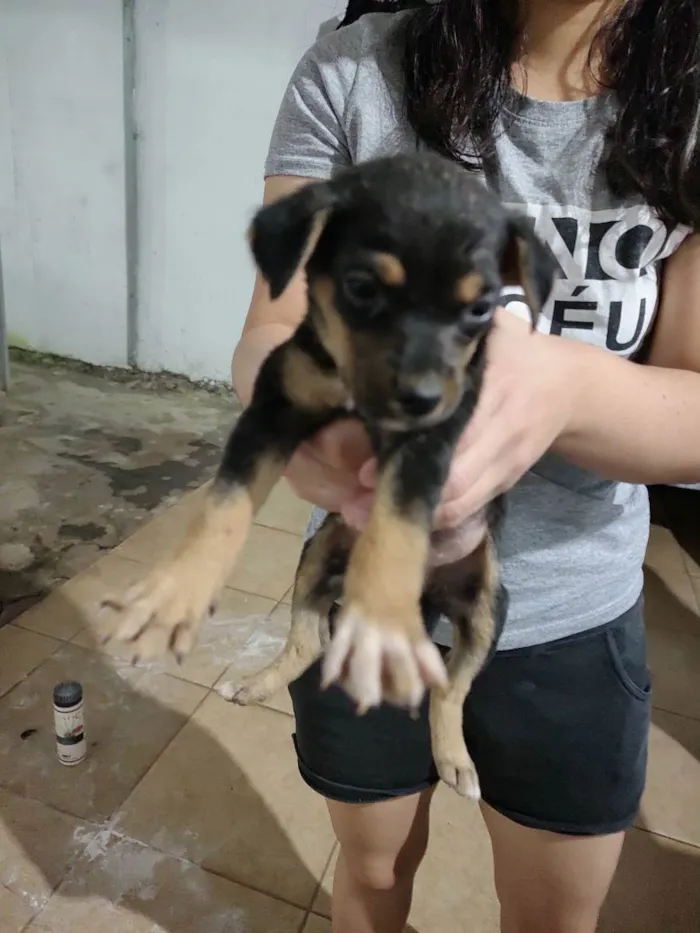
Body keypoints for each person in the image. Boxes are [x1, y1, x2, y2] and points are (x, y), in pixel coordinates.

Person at [231, 1, 700, 931]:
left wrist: (565, 390)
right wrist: (301, 425)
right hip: (366, 586)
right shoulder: (353, 73)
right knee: (369, 872)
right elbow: (270, 333)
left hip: (574, 610)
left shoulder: (687, 107)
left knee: (551, 915)